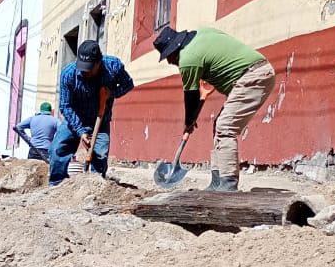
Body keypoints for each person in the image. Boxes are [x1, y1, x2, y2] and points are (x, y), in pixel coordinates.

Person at [153, 25, 276, 192]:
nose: (169, 61)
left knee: (225, 127)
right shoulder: (204, 32)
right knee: (219, 124)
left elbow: (191, 96)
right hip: (256, 71)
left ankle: (228, 184)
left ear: (176, 48)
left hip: (252, 77)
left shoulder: (187, 59)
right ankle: (217, 181)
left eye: (169, 56)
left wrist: (189, 121)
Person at [48, 39, 134, 185]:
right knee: (57, 150)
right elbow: (65, 105)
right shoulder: (69, 74)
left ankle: (95, 187)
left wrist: (111, 92)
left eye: (89, 68)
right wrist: (81, 131)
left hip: (101, 121)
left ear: (99, 62)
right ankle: (56, 185)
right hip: (75, 119)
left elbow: (128, 84)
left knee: (100, 156)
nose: (84, 71)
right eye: (82, 66)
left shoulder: (113, 66)